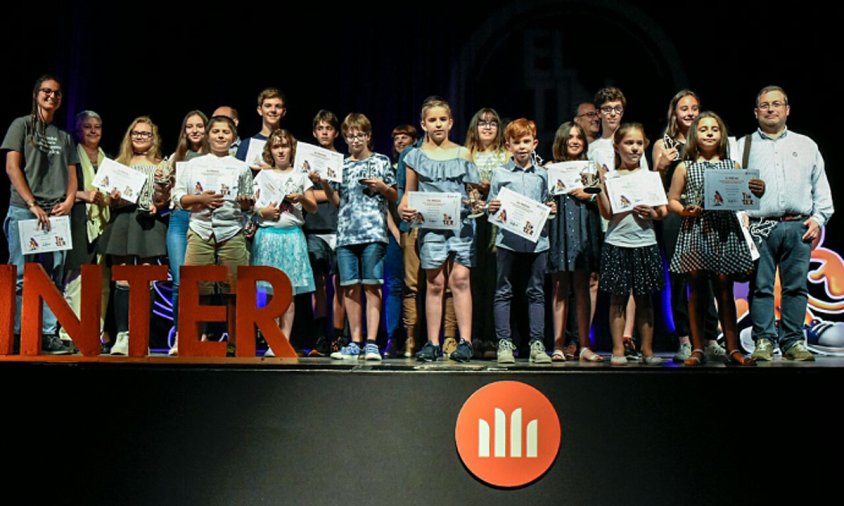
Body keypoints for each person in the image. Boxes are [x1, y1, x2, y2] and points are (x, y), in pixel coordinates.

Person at [741, 86, 834, 362]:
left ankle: (793, 342)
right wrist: (741, 213)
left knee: (795, 287)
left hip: (798, 225)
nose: (771, 109)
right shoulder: (742, 145)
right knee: (761, 287)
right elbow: (729, 187)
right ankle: (764, 342)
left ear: (787, 109)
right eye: (765, 105)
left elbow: (821, 188)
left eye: (776, 104)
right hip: (760, 225)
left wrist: (818, 219)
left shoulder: (806, 145)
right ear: (756, 112)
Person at [667, 112, 763, 366]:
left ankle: (732, 347)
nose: (709, 133)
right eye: (703, 129)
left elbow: (746, 195)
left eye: (714, 129)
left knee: (724, 287)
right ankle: (698, 348)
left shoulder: (732, 166)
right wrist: (684, 210)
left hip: (725, 230)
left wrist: (756, 189)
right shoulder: (684, 167)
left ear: (722, 135)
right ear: (693, 136)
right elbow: (673, 200)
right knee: (697, 287)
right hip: (697, 229)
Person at [309, 113, 397, 361]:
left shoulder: (381, 161)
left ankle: (371, 342)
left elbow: (394, 196)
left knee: (372, 286)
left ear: (368, 136)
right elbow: (337, 202)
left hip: (373, 233)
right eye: (350, 135)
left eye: (360, 134)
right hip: (346, 235)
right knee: (349, 289)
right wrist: (325, 183)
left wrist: (381, 187)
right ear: (345, 138)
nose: (355, 139)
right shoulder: (342, 164)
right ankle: (354, 342)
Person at [398, 98, 479, 362]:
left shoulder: (463, 153)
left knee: (460, 279)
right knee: (434, 283)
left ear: (451, 122)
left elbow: (473, 191)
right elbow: (408, 196)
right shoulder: (414, 156)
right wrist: (404, 211)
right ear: (423, 124)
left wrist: (475, 200)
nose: (438, 124)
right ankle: (432, 343)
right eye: (432, 120)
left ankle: (464, 341)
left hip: (461, 225)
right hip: (431, 226)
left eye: (442, 119)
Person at [2, 75, 78, 354]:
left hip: (57, 213)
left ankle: (47, 334)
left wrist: (70, 201)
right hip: (25, 210)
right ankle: (19, 333)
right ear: (36, 95)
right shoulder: (21, 126)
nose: (52, 96)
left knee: (53, 276)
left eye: (57, 93)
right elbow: (12, 168)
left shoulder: (64, 136)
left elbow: (72, 175)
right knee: (21, 274)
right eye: (46, 91)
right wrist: (31, 203)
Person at [652, 90, 725, 363]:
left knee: (707, 277)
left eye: (695, 108)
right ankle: (684, 339)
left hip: (707, 216)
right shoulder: (664, 143)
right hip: (676, 215)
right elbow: (655, 188)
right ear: (675, 112)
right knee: (680, 279)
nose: (690, 113)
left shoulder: (708, 142)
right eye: (684, 108)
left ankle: (709, 338)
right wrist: (660, 167)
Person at [173, 116, 254, 354]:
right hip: (200, 231)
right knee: (198, 290)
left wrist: (247, 204)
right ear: (208, 136)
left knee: (234, 291)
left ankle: (235, 343)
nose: (220, 136)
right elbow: (178, 199)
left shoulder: (241, 167)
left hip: (231, 231)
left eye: (225, 132)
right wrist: (200, 199)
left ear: (233, 136)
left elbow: (248, 204)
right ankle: (195, 340)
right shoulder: (193, 165)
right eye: (216, 131)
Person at [98, 116, 172, 355]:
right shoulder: (117, 163)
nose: (140, 137)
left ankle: (142, 333)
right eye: (136, 133)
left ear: (154, 138)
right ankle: (122, 334)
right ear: (129, 136)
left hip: (149, 223)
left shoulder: (163, 164)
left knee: (147, 278)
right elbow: (108, 198)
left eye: (145, 133)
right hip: (122, 221)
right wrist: (114, 197)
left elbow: (167, 198)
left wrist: (158, 205)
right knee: (122, 277)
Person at [595, 123, 666, 365]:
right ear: (617, 147)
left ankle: (647, 351)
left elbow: (663, 211)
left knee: (645, 300)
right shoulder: (611, 178)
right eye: (628, 143)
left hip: (645, 243)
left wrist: (652, 213)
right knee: (617, 300)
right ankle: (617, 350)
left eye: (638, 143)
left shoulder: (650, 177)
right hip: (617, 243)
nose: (634, 148)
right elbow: (607, 213)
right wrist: (599, 189)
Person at [487, 118, 555, 365]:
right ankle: (504, 343)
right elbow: (492, 209)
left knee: (536, 291)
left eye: (526, 141)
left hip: (538, 242)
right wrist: (492, 208)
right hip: (508, 241)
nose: (522, 147)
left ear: (535, 143)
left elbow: (548, 202)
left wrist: (552, 208)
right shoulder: (500, 173)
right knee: (504, 291)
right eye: (517, 142)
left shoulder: (543, 175)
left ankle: (537, 344)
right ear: (508, 145)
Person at [252, 129, 317, 355]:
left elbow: (313, 207)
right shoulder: (263, 176)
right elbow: (252, 207)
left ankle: (283, 340)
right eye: (276, 146)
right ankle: (271, 338)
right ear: (270, 150)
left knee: (287, 293)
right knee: (268, 293)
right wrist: (264, 212)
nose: (281, 150)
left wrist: (300, 198)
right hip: (268, 237)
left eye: (285, 146)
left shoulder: (301, 176)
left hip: (291, 237)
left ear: (292, 149)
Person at [546, 121, 603, 362]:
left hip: (584, 227)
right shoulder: (550, 167)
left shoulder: (592, 167)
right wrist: (547, 205)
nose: (574, 140)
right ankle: (558, 344)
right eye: (569, 136)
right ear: (561, 139)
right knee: (560, 287)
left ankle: (584, 345)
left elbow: (605, 199)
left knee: (582, 286)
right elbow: (542, 199)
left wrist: (590, 194)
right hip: (559, 230)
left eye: (579, 136)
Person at [60, 110, 110, 350]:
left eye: (97, 127)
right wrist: (82, 194)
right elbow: (57, 188)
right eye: (87, 126)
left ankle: (95, 332)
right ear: (78, 130)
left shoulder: (108, 160)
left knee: (102, 281)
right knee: (76, 279)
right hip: (77, 220)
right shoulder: (69, 157)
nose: (93, 131)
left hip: (105, 223)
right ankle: (70, 333)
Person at [464, 107, 508, 358]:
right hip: (471, 221)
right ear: (474, 128)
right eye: (482, 123)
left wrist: (487, 186)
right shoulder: (466, 153)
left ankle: (492, 338)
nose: (488, 127)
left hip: (497, 223)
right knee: (473, 280)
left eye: (493, 123)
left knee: (494, 281)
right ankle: (474, 337)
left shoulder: (505, 155)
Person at [165, 110, 209, 355]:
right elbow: (167, 195)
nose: (194, 130)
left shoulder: (216, 157)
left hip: (204, 220)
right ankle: (181, 335)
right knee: (180, 282)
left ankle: (201, 335)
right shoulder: (176, 157)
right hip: (180, 222)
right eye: (190, 126)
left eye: (199, 126)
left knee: (202, 283)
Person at [305, 109, 347, 355]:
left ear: (336, 133)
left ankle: (338, 336)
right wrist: (327, 195)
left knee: (340, 284)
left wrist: (326, 194)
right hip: (315, 228)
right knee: (318, 285)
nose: (324, 132)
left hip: (340, 228)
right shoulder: (306, 161)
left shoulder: (342, 160)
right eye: (320, 128)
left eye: (328, 129)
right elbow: (303, 195)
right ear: (314, 132)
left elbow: (343, 198)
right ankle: (320, 335)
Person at [382, 124, 418, 357]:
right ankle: (393, 336)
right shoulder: (388, 167)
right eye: (396, 137)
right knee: (395, 285)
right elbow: (386, 206)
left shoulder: (416, 164)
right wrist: (395, 230)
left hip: (413, 230)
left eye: (405, 137)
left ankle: (416, 335)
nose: (400, 141)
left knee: (416, 284)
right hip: (394, 232)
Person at [235, 88, 286, 168]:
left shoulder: (291, 144)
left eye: (278, 106)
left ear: (283, 112)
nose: (273, 110)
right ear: (260, 110)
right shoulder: (247, 144)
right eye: (268, 106)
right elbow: (236, 174)